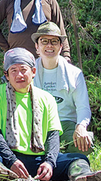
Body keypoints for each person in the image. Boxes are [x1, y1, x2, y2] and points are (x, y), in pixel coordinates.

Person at [0, 48, 101, 181]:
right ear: (7, 75)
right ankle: (0, 171)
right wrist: (11, 160)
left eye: (23, 70)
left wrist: (49, 163)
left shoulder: (47, 98)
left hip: (39, 160)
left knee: (78, 158)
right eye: (13, 70)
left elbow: (53, 135)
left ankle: (82, 175)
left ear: (33, 72)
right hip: (7, 158)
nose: (19, 75)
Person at [31, 21, 94, 154]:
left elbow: (83, 107)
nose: (49, 45)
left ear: (60, 46)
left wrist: (81, 126)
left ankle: (70, 163)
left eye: (54, 41)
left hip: (66, 124)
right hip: (39, 125)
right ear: (37, 46)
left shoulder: (74, 74)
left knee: (85, 143)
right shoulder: (29, 73)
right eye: (44, 41)